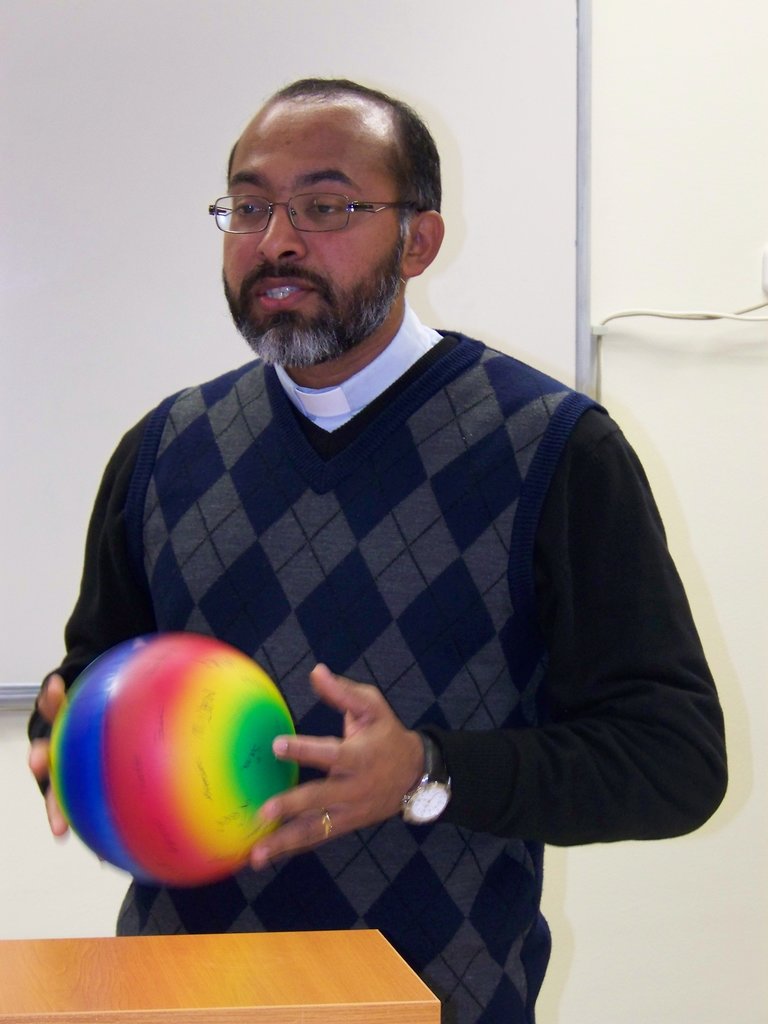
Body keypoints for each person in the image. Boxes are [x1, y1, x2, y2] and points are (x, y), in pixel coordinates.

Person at [28, 78, 727, 1024]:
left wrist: (427, 770)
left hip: (438, 1002)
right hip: (179, 997)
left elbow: (674, 763)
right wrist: (65, 737)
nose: (276, 240)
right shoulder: (163, 451)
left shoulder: (554, 450)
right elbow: (89, 674)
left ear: (419, 241)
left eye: (325, 207)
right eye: (249, 206)